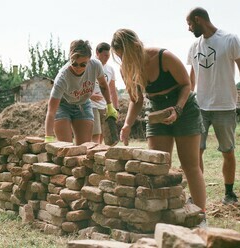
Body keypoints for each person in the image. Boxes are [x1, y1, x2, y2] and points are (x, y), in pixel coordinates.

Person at [111, 28, 207, 213]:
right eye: (120, 57)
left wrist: (177, 110)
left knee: (190, 165)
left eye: (125, 56)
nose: (124, 61)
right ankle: (165, 212)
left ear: (135, 47)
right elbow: (137, 99)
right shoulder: (126, 68)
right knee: (158, 164)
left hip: (184, 108)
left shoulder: (164, 57)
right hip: (155, 110)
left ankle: (200, 213)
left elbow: (187, 84)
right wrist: (127, 124)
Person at [186, 7, 240, 205]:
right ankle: (197, 194)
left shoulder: (230, 39)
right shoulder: (194, 46)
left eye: (190, 24)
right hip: (199, 107)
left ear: (198, 20)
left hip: (225, 105)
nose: (189, 28)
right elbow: (191, 78)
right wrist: (187, 101)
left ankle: (229, 193)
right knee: (195, 152)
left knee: (227, 151)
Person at [45, 40, 118, 145]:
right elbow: (51, 111)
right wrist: (48, 137)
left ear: (89, 59)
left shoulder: (95, 66)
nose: (78, 68)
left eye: (83, 64)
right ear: (70, 58)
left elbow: (103, 85)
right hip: (63, 105)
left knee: (83, 148)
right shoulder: (62, 78)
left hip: (83, 104)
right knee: (66, 148)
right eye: (74, 64)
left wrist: (109, 105)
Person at [90, 42, 119, 144]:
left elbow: (112, 90)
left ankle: (100, 157)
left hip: (104, 106)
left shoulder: (110, 69)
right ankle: (93, 155)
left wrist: (115, 108)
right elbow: (80, 84)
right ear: (97, 53)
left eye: (109, 56)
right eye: (105, 55)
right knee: (96, 134)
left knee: (104, 134)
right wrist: (89, 95)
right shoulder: (89, 65)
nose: (107, 58)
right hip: (91, 105)